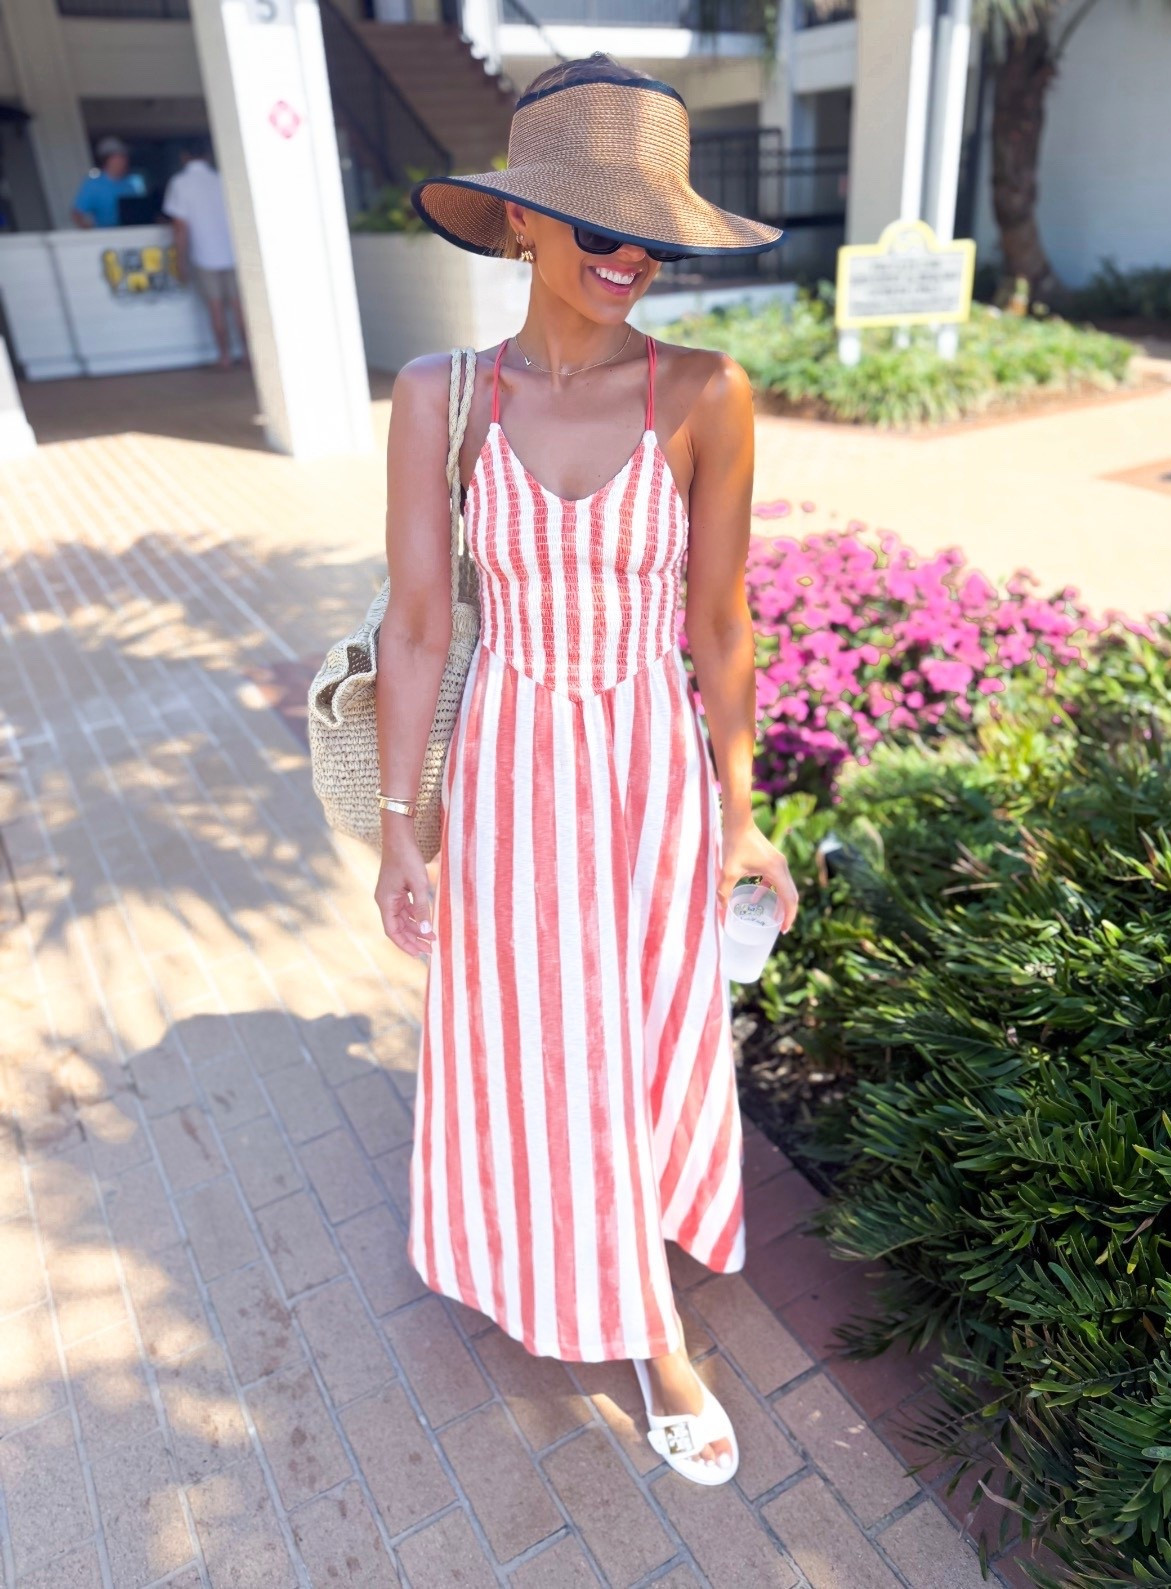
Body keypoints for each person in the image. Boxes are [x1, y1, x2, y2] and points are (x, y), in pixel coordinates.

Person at [377, 53, 800, 1486]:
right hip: (506, 766)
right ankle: (643, 1327)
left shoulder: (702, 392)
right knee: (536, 1044)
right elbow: (420, 625)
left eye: (652, 238)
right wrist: (399, 827)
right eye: (599, 230)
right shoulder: (440, 397)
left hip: (647, 770)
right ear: (517, 225)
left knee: (637, 1037)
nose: (632, 261)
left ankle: (631, 1273)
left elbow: (721, 624)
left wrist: (747, 816)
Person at [162, 139, 246, 369]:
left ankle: (225, 357)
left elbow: (180, 226)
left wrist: (180, 259)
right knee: (239, 307)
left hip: (204, 254)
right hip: (233, 252)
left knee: (216, 307)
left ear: (183, 157)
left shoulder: (180, 183)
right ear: (208, 155)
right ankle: (250, 355)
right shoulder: (222, 180)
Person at [70, 136, 146, 230]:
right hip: (105, 237)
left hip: (129, 235)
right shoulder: (93, 184)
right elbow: (77, 214)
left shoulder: (129, 185)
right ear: (108, 160)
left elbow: (139, 212)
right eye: (119, 157)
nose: (124, 161)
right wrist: (90, 233)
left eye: (124, 157)